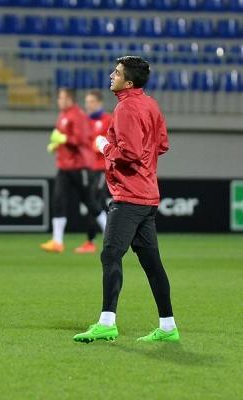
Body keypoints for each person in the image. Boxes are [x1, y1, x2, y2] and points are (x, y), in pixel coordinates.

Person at [74, 56, 179, 343]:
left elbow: (130, 153)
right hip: (148, 194)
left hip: (130, 195)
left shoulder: (125, 108)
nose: (112, 75)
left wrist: (104, 146)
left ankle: (107, 322)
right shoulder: (150, 104)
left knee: (110, 255)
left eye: (117, 73)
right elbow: (162, 145)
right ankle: (168, 327)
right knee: (152, 263)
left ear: (129, 82)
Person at [41, 88, 107, 253]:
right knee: (58, 199)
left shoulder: (78, 115)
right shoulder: (63, 115)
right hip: (64, 166)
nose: (59, 101)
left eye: (61, 98)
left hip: (80, 165)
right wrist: (56, 145)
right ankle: (57, 241)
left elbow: (82, 139)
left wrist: (63, 139)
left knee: (90, 202)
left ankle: (110, 233)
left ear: (69, 99)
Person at [74, 90, 113, 254]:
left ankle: (96, 239)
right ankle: (103, 237)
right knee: (96, 202)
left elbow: (110, 143)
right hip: (88, 168)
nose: (88, 105)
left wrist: (97, 146)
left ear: (99, 103)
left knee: (93, 200)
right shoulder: (84, 121)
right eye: (86, 101)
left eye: (91, 101)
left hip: (102, 168)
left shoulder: (108, 120)